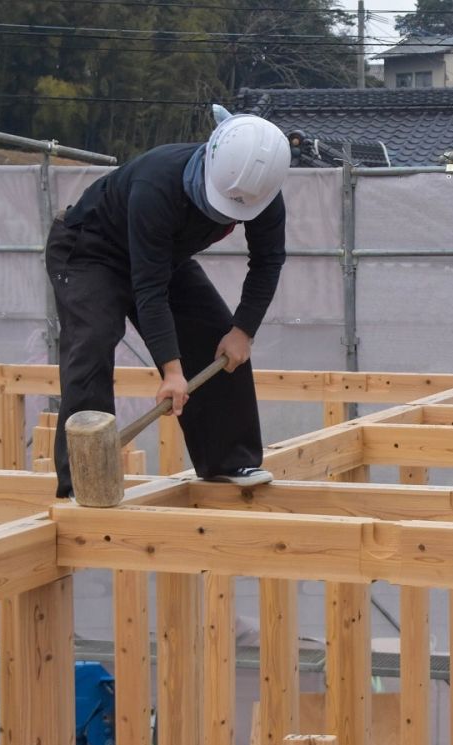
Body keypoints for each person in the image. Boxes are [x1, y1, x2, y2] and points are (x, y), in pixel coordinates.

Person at [45, 113, 291, 498]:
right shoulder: (157, 183)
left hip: (162, 258)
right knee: (92, 342)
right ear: (210, 162)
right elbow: (148, 289)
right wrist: (172, 372)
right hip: (90, 251)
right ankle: (82, 481)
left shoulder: (262, 193)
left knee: (215, 333)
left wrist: (243, 330)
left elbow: (268, 260)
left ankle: (228, 461)